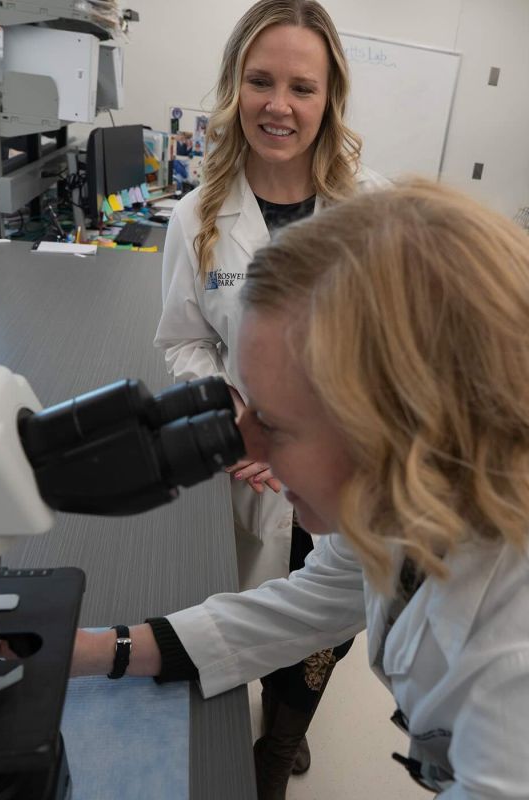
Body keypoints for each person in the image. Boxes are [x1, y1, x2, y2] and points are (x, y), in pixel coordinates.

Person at [74, 180, 529, 798]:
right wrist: (88, 651)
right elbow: (301, 607)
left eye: (273, 422)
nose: (249, 448)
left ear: (400, 422)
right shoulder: (443, 469)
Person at [151, 1, 384, 794]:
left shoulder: (369, 213)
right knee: (262, 603)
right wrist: (229, 413)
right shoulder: (200, 217)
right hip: (251, 466)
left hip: (349, 466)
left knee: (331, 618)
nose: (278, 105)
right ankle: (267, 717)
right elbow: (182, 339)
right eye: (260, 81)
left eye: (301, 87)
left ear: (329, 101)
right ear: (234, 88)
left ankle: (280, 746)